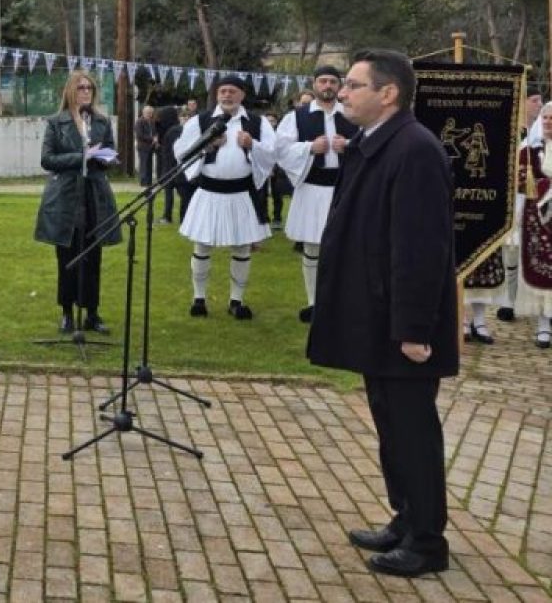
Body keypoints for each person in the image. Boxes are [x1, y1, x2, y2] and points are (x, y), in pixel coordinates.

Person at [308, 49, 457, 578]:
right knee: (391, 426)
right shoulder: (376, 144)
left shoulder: (415, 149)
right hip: (376, 319)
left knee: (413, 431)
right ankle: (405, 517)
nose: (341, 92)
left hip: (403, 328)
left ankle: (426, 541)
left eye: (352, 85)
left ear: (388, 93)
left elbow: (420, 249)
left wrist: (414, 330)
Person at [174, 75, 276, 319]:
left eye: (232, 91)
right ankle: (198, 299)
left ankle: (236, 301)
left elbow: (272, 155)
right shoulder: (200, 121)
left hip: (241, 193)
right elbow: (181, 152)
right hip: (209, 192)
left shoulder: (257, 123)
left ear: (242, 95)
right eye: (223, 91)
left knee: (242, 247)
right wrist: (208, 145)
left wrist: (252, 145)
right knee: (202, 245)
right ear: (217, 95)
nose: (227, 95)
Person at [34, 71, 121, 333]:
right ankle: (68, 313)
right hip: (66, 198)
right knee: (68, 257)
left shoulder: (102, 122)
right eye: (81, 87)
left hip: (94, 195)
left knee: (93, 258)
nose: (86, 92)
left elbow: (111, 157)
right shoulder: (56, 123)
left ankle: (92, 313)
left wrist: (105, 157)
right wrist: (81, 156)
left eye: (90, 88)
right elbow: (47, 160)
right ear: (71, 91)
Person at [274, 65, 354, 323]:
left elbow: (373, 141)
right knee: (312, 245)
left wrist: (350, 146)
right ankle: (314, 302)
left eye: (332, 81)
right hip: (311, 188)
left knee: (347, 247)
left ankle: (342, 303)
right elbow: (281, 149)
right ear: (314, 84)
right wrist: (309, 147)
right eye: (323, 81)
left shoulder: (353, 113)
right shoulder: (297, 117)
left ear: (339, 86)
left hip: (345, 189)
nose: (328, 86)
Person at [515, 101, 552, 349]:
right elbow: (520, 183)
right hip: (539, 215)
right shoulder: (528, 150)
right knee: (542, 264)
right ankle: (543, 324)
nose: (549, 122)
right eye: (546, 118)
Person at [154, 105, 182, 223]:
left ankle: (168, 216)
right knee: (176, 192)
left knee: (172, 191)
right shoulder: (175, 129)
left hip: (172, 165)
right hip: (175, 165)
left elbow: (169, 150)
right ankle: (173, 216)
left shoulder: (172, 131)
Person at [135, 105, 158, 187]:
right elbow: (140, 135)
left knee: (149, 165)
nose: (149, 115)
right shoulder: (139, 122)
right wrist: (152, 139)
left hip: (150, 147)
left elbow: (154, 131)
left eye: (151, 113)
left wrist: (155, 137)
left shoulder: (151, 122)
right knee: (144, 165)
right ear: (143, 113)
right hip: (143, 147)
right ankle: (143, 182)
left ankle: (149, 182)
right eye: (148, 113)